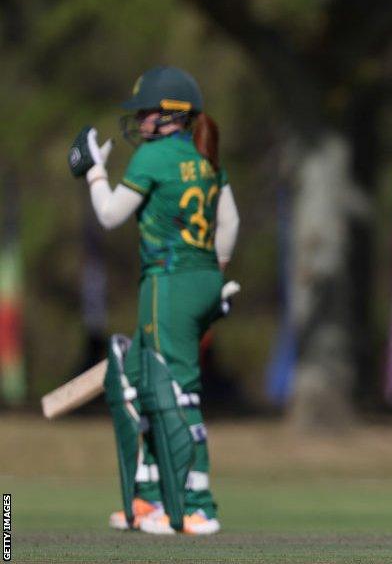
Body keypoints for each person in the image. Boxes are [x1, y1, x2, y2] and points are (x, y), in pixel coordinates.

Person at [71, 66, 240, 535]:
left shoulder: (153, 159)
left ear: (170, 115)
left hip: (168, 281)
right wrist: (213, 275)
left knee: (174, 393)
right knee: (144, 386)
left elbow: (109, 216)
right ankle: (149, 498)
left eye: (146, 111)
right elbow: (230, 222)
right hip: (200, 278)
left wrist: (94, 172)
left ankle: (196, 505)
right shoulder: (206, 157)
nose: (139, 120)